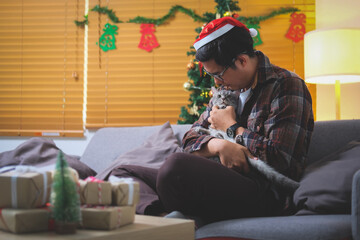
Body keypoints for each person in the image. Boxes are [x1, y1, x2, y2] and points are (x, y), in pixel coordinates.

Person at [110, 16, 314, 225]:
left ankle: (179, 216)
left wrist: (232, 128)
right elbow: (189, 140)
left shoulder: (286, 85)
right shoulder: (226, 89)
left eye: (218, 74)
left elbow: (282, 160)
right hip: (216, 177)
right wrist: (218, 145)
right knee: (121, 173)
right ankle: (168, 222)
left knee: (175, 167)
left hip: (262, 190)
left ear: (242, 60)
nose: (216, 82)